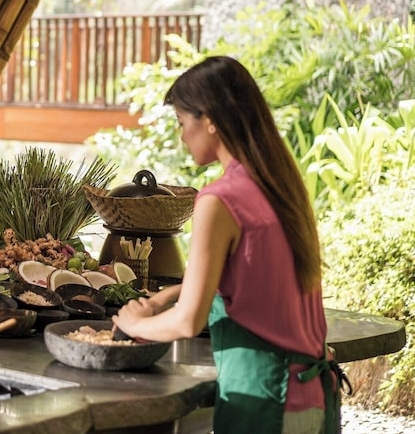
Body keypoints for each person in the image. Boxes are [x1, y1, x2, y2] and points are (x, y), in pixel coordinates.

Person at [112, 56, 346, 434]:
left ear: (210, 120)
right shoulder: (280, 186)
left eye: (182, 122)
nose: (181, 136)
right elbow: (257, 277)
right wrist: (167, 296)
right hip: (316, 400)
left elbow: (190, 321)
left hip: (265, 404)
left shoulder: (218, 200)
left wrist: (137, 322)